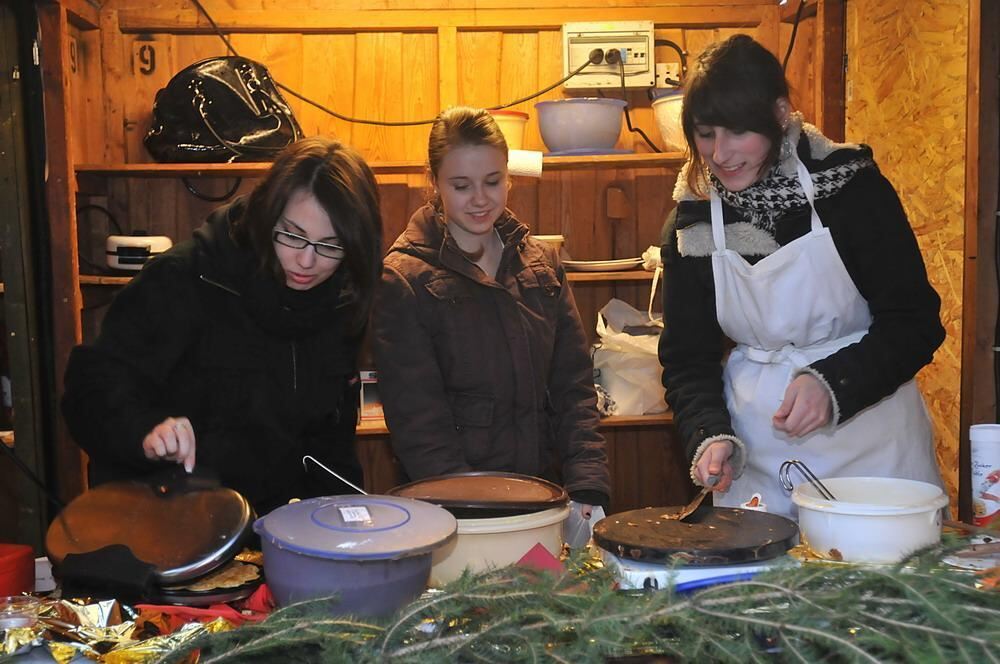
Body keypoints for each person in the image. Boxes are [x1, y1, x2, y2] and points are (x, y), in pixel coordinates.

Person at [658, 35, 945, 518]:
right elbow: (689, 357)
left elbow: (915, 322)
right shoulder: (695, 222)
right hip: (761, 461)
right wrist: (708, 433)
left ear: (779, 114)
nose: (721, 154)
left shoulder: (850, 190)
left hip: (874, 455)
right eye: (706, 134)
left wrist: (833, 382)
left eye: (737, 133)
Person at [62, 137, 383, 515]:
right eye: (293, 235)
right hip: (170, 518)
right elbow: (90, 387)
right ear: (266, 214)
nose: (307, 260)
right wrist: (145, 430)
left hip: (273, 527)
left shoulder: (340, 300)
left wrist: (350, 522)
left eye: (331, 245)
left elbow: (329, 445)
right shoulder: (187, 278)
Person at [373, 106, 611, 524]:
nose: (480, 199)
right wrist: (471, 514)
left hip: (546, 496)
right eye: (461, 185)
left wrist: (587, 484)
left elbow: (574, 387)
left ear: (509, 176)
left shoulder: (541, 265)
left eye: (493, 181)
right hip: (454, 513)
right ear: (434, 183)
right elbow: (420, 426)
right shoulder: (404, 279)